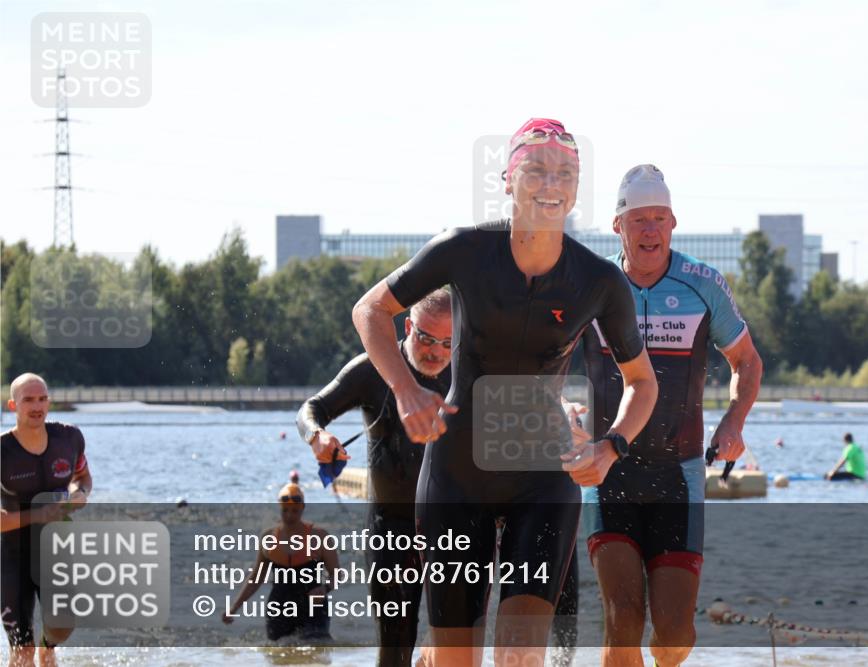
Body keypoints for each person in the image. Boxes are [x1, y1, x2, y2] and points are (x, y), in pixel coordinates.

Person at [351, 118, 657, 666]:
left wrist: (611, 447)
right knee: (456, 661)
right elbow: (371, 309)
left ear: (576, 189)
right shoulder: (463, 250)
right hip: (456, 477)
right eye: (536, 169)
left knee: (519, 656)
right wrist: (405, 389)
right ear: (507, 179)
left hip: (542, 478)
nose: (551, 183)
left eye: (565, 173)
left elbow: (642, 382)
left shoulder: (598, 281)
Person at [579, 164, 762, 666]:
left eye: (660, 218)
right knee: (623, 618)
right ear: (618, 226)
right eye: (639, 219)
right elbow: (548, 361)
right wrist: (560, 412)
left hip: (678, 475)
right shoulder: (592, 286)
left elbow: (747, 361)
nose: (650, 230)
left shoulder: (703, 283)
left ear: (673, 224)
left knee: (675, 634)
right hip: (608, 471)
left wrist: (734, 420)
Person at [296, 289, 452, 666]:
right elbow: (312, 409)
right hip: (390, 527)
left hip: (453, 528)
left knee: (453, 645)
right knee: (396, 644)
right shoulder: (372, 369)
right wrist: (317, 436)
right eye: (426, 338)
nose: (436, 352)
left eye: (448, 343)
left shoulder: (466, 373)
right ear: (408, 326)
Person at [1, 373, 92, 667]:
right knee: (22, 650)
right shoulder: (3, 451)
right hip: (11, 556)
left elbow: (82, 477)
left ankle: (47, 648)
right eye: (28, 400)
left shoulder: (69, 438)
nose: (37, 406)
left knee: (62, 628)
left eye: (42, 399)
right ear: (13, 405)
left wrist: (79, 493)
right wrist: (38, 514)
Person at [223, 478, 339, 641]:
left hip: (313, 607)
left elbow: (337, 575)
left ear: (303, 508)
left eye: (295, 511)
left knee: (316, 650)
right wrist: (234, 607)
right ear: (279, 507)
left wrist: (325, 588)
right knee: (278, 653)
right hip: (279, 608)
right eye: (285, 510)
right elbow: (256, 578)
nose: (290, 515)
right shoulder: (268, 538)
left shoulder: (319, 537)